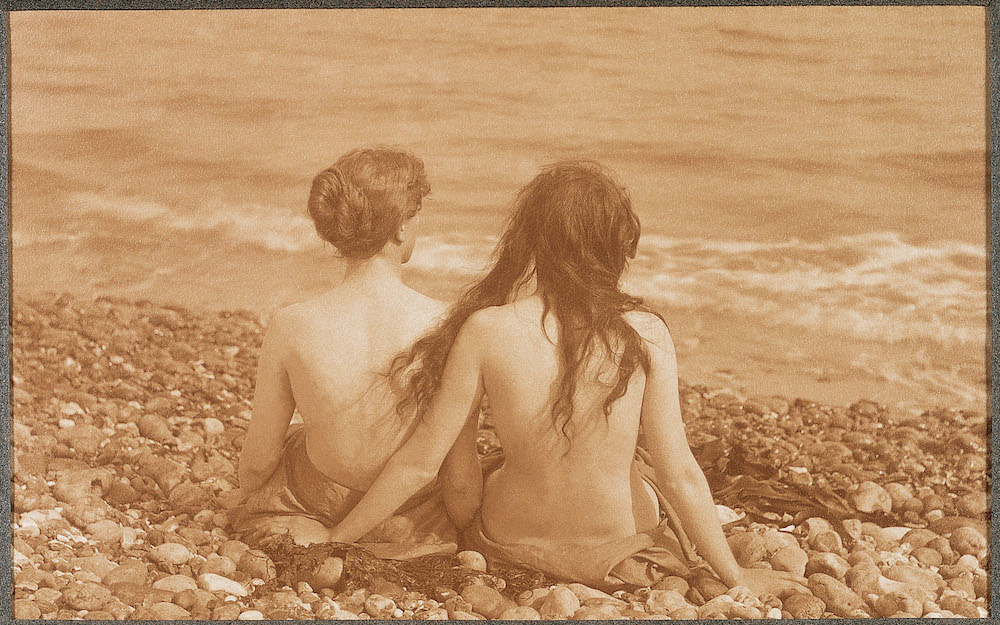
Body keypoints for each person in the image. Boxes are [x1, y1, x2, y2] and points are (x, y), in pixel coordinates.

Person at [323, 160, 809, 594]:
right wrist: (735, 577)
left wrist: (334, 539)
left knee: (478, 455)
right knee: (635, 463)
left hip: (513, 539)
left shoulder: (487, 329)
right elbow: (679, 472)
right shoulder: (644, 333)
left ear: (530, 240)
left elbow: (421, 464)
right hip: (620, 542)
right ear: (618, 241)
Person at [227, 147, 467, 557]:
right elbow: (459, 470)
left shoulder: (292, 323)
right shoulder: (448, 322)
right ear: (400, 230)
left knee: (295, 441)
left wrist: (248, 496)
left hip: (319, 501)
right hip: (410, 508)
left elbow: (258, 460)